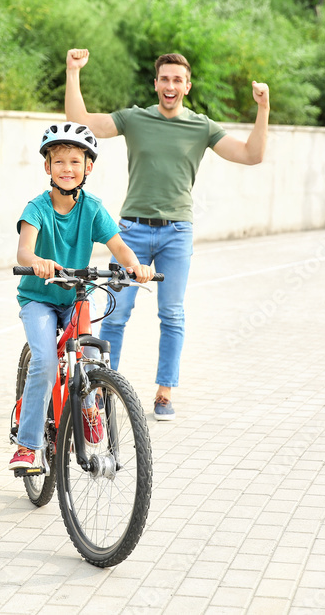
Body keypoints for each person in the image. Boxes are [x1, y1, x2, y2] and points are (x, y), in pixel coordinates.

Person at [64, 48, 270, 421]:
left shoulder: (202, 127)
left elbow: (251, 155)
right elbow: (80, 122)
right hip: (131, 231)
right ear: (156, 84)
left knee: (172, 314)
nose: (170, 85)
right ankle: (101, 389)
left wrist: (263, 108)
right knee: (115, 313)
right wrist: (73, 71)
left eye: (178, 80)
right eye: (165, 79)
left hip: (177, 233)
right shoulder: (135, 119)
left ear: (187, 86)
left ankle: (164, 392)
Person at [11, 122, 154, 470]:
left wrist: (136, 266)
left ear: (88, 167)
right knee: (45, 362)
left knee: (89, 356)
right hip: (39, 297)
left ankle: (88, 402)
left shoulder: (92, 208)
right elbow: (24, 253)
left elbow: (118, 245)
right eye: (59, 162)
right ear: (47, 167)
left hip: (76, 296)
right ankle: (27, 447)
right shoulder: (37, 208)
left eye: (75, 162)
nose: (67, 169)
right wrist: (40, 263)